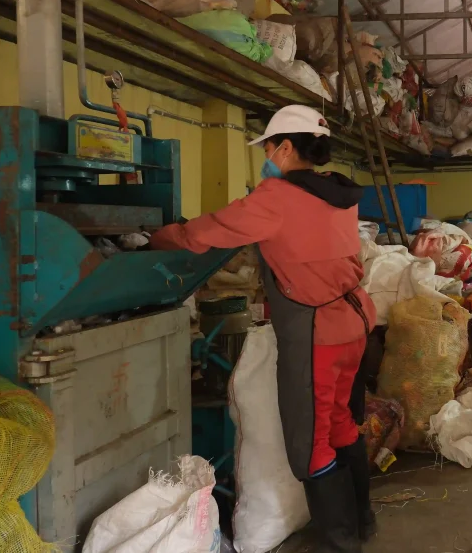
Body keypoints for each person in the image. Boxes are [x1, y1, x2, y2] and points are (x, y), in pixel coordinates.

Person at [149, 105, 376, 553]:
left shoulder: (276, 197)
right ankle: (362, 521)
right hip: (355, 322)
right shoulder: (338, 194)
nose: (266, 157)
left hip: (318, 334)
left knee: (309, 447)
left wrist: (159, 238)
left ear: (286, 147)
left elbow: (208, 231)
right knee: (340, 424)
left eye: (268, 148)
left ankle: (341, 543)